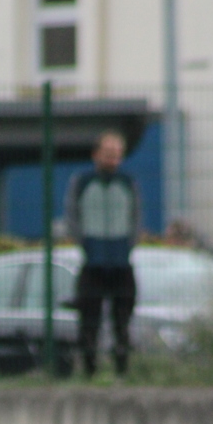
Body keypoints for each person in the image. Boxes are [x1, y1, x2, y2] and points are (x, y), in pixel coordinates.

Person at [65, 130, 141, 376]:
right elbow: (72, 215)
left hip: (121, 261)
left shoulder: (127, 182)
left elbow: (136, 216)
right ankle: (90, 371)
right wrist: (85, 243)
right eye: (108, 153)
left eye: (117, 154)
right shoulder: (83, 181)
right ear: (96, 154)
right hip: (93, 261)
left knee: (122, 320)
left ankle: (122, 370)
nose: (113, 159)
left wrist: (128, 244)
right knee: (89, 320)